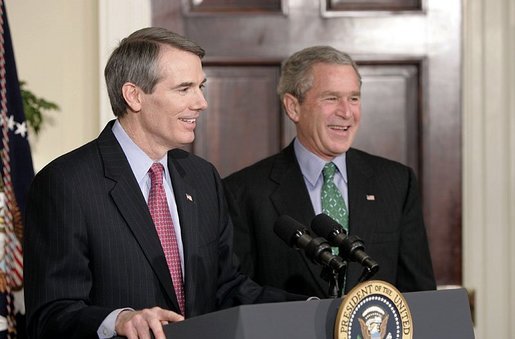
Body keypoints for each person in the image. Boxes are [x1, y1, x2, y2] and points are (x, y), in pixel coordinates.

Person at [23, 27, 303, 339]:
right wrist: (119, 320)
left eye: (201, 87)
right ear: (134, 96)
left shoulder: (202, 177)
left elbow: (227, 287)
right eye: (184, 89)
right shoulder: (66, 183)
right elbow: (50, 315)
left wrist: (317, 309)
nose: (201, 103)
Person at [223, 46, 436, 298]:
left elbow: (419, 295)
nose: (346, 112)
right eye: (331, 98)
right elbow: (237, 294)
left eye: (354, 98)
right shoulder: (243, 192)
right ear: (293, 107)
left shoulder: (397, 183)